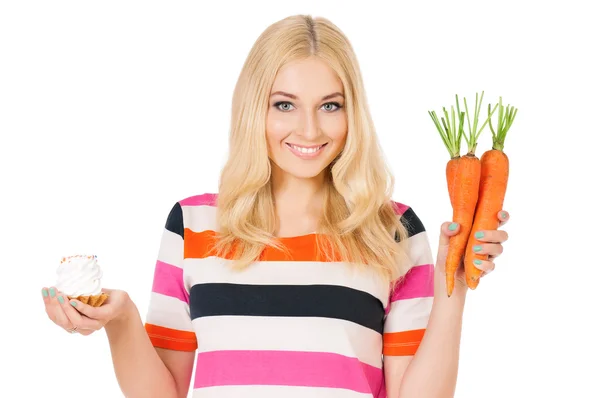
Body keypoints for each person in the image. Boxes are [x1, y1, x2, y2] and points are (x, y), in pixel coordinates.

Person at [41, 14, 510, 398]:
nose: (309, 130)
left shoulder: (392, 230)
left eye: (331, 105)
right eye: (285, 105)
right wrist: (120, 320)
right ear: (254, 109)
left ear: (353, 114)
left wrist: (454, 290)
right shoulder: (194, 224)